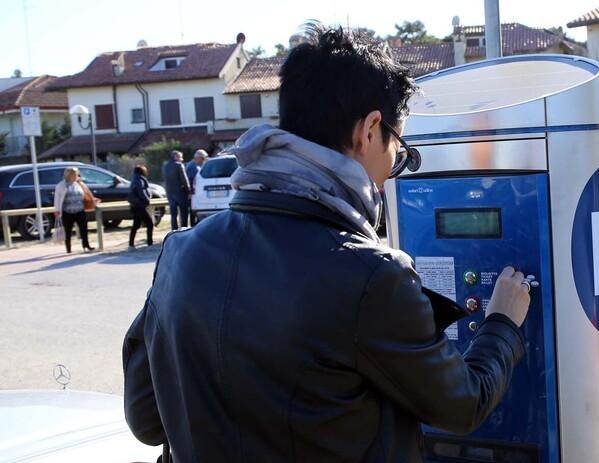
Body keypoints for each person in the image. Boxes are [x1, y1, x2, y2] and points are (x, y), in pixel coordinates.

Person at [123, 25, 531, 463]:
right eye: (399, 146)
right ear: (371, 129)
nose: (395, 162)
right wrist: (502, 323)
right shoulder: (371, 276)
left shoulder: (180, 253)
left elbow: (146, 418)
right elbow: (463, 404)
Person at [53, 167, 94, 253]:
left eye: (76, 174)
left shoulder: (80, 184)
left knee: (84, 229)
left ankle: (86, 245)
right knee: (68, 231)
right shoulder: (61, 185)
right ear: (68, 175)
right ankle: (68, 248)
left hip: (80, 210)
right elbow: (57, 198)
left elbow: (88, 193)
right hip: (67, 211)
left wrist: (93, 200)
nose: (76, 175)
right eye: (74, 174)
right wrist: (57, 210)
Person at [162, 150, 190, 230]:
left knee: (173, 213)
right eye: (180, 157)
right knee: (184, 212)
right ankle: (184, 228)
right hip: (180, 191)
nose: (182, 159)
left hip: (170, 191)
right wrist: (188, 190)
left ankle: (174, 229)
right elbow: (184, 179)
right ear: (176, 157)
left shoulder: (165, 166)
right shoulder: (179, 165)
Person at [127, 165, 153, 248]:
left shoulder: (134, 179)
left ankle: (131, 243)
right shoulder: (139, 180)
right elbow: (142, 192)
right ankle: (150, 242)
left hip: (135, 205)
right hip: (140, 206)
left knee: (136, 225)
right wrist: (147, 200)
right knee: (150, 223)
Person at [185, 149, 208, 225]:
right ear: (198, 158)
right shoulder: (193, 167)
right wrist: (191, 192)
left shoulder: (194, 165)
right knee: (193, 211)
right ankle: (193, 226)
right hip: (193, 192)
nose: (204, 161)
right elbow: (191, 180)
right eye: (203, 159)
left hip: (194, 192)